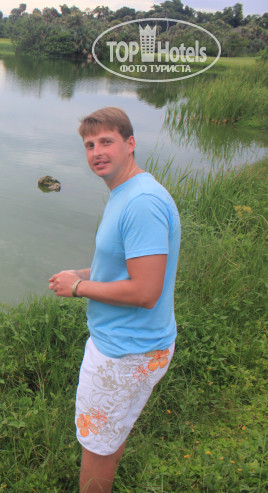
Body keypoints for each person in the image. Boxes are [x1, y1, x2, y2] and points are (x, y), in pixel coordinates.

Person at [48, 107, 181, 493]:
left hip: (126, 350)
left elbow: (145, 292)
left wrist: (78, 288)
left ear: (130, 143)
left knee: (97, 445)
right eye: (89, 145)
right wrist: (83, 273)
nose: (97, 152)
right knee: (108, 434)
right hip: (128, 344)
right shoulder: (127, 193)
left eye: (106, 142)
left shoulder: (142, 203)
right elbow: (126, 266)